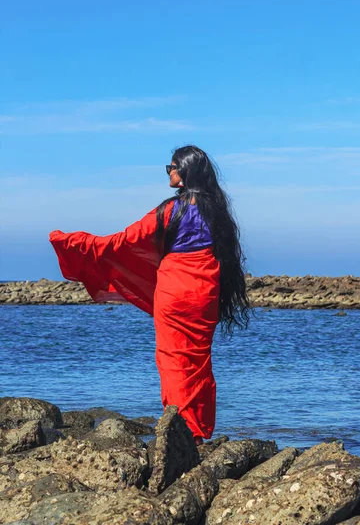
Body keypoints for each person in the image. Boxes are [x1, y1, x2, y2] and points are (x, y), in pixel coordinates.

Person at [50, 145, 250, 445]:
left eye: (171, 167)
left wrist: (74, 242)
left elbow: (121, 241)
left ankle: (181, 431)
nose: (168, 172)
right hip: (205, 291)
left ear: (184, 172)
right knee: (197, 361)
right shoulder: (217, 210)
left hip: (175, 290)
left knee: (173, 359)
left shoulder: (170, 209)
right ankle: (198, 429)